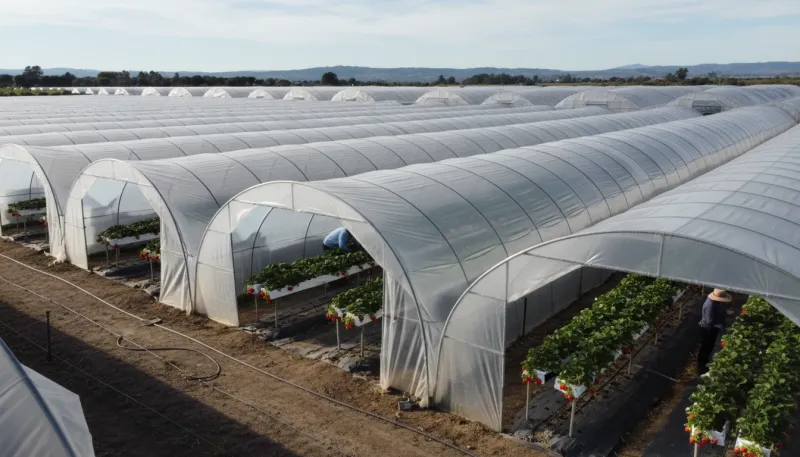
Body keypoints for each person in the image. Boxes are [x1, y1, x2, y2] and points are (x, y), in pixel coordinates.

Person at [696, 288, 733, 376]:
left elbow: (718, 311)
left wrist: (725, 312)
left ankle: (704, 364)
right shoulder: (710, 305)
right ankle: (701, 368)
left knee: (709, 347)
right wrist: (721, 319)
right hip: (707, 329)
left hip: (711, 328)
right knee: (705, 348)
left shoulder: (715, 303)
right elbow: (709, 321)